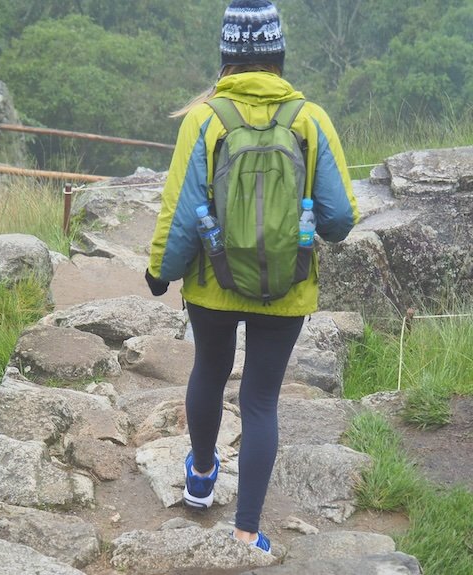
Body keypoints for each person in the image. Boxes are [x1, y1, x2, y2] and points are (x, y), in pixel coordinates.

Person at [145, 0, 358, 553]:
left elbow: (180, 210)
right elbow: (339, 219)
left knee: (209, 371)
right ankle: (245, 532)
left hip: (212, 284)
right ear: (279, 55)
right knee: (261, 401)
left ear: (226, 57)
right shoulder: (310, 119)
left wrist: (161, 271)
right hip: (287, 286)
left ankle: (200, 476)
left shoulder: (204, 119)